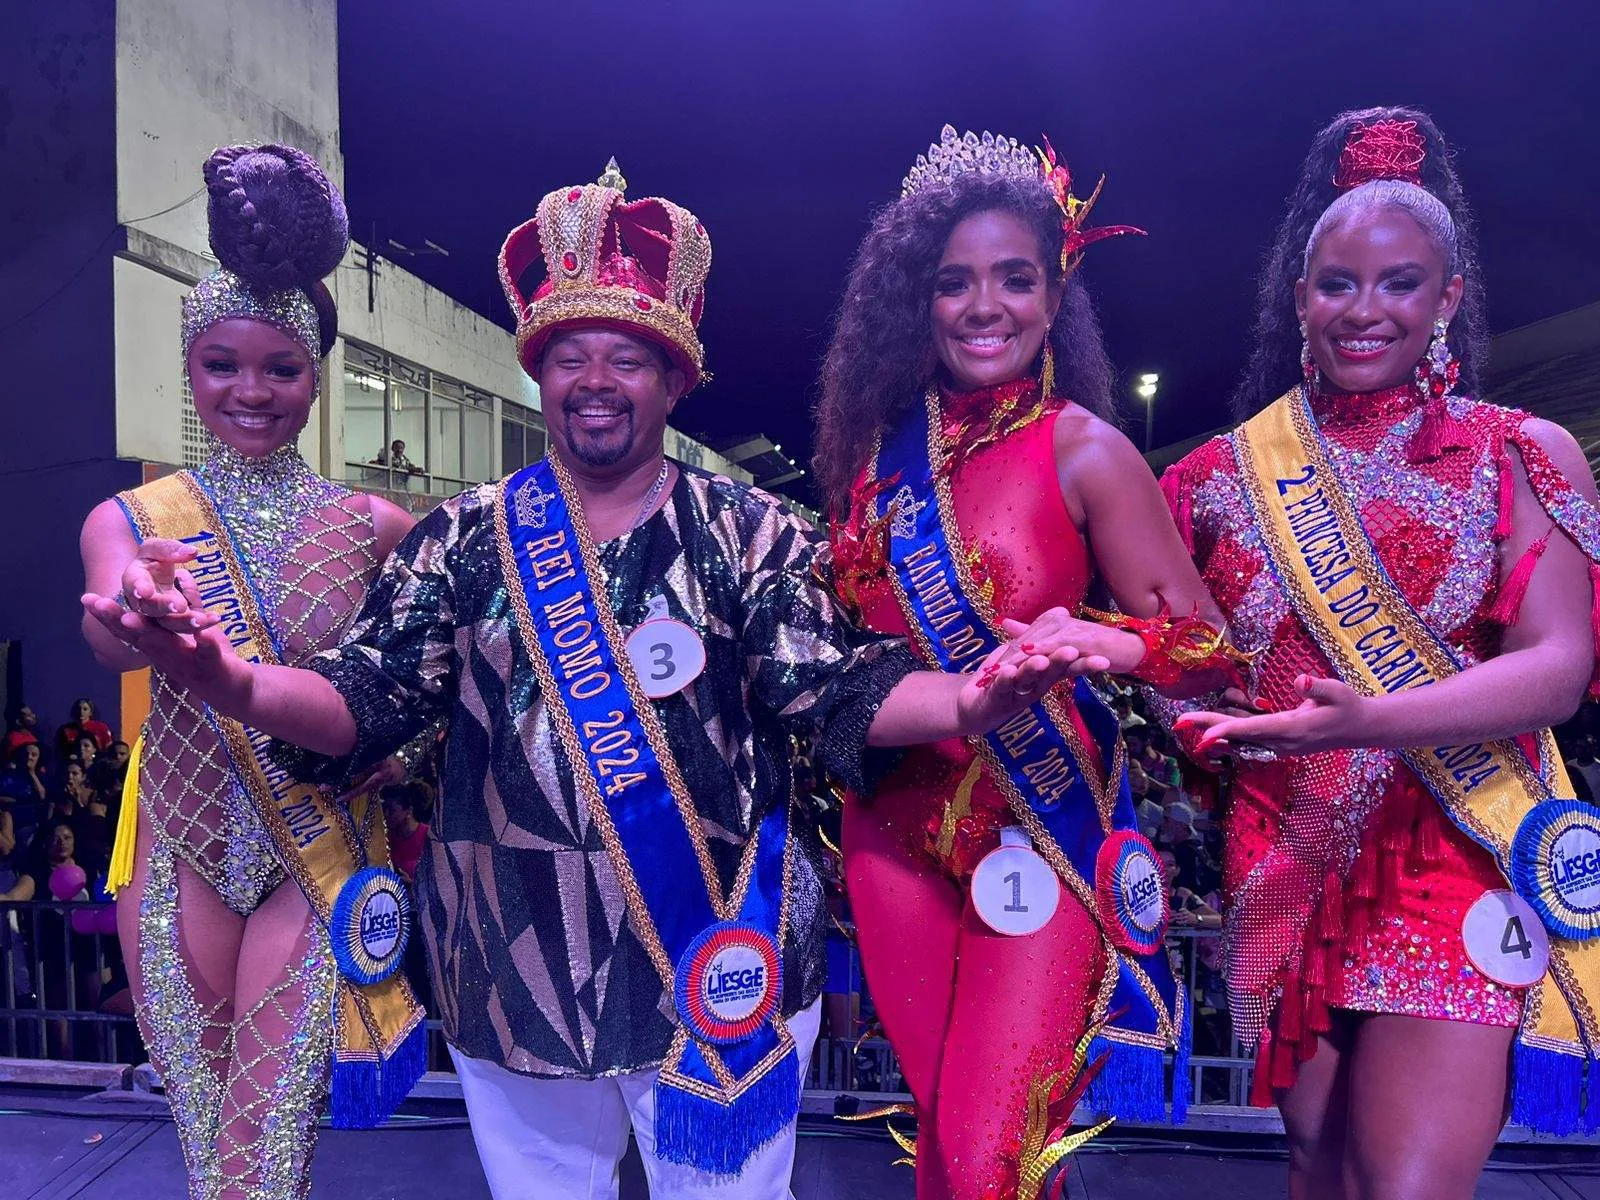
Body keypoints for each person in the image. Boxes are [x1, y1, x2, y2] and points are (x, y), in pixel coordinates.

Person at [84, 159, 1092, 1200]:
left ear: (675, 379)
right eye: (570, 357)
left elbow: (831, 690)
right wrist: (232, 681)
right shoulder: (462, 538)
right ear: (538, 372)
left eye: (628, 358)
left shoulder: (752, 532)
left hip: (719, 966)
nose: (597, 380)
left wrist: (971, 701)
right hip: (512, 970)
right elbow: (368, 697)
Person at [1158, 107, 1600, 1198]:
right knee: (1315, 1160)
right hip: (1281, 847)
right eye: (1336, 284)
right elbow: (1180, 661)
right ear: (1298, 296)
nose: (1364, 311)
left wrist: (1372, 719)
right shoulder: (1216, 474)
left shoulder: (1516, 453)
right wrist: (1173, 705)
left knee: (1401, 1187)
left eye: (1399, 283)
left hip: (1447, 841)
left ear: (1445, 297)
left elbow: (1560, 665)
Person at [816, 126, 1248, 1200]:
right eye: (954, 283)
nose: (983, 306)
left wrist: (1105, 641)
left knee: (983, 1159)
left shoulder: (1085, 449)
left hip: (1041, 837)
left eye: (1014, 280)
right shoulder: (871, 458)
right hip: (891, 838)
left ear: (1054, 299)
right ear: (919, 299)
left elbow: (1208, 659)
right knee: (949, 1144)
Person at [76, 144, 426, 1199]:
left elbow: (425, 691)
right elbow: (109, 624)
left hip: (313, 856)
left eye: (281, 367)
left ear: (320, 376)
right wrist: (142, 618)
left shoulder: (374, 527)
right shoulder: (133, 521)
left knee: (265, 1152)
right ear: (188, 370)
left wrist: (397, 748)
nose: (251, 389)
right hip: (176, 850)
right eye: (221, 364)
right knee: (207, 1148)